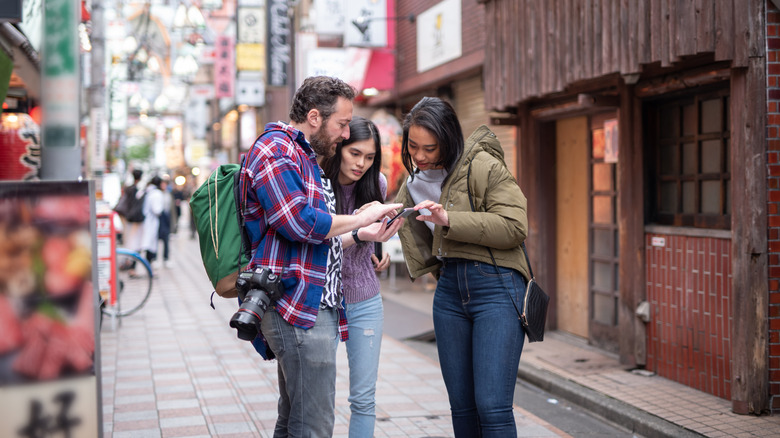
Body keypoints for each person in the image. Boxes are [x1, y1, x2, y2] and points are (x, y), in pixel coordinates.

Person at [238, 76, 404, 436]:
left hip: (310, 306)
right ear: (314, 117)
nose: (346, 134)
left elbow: (314, 242)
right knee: (313, 426)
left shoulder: (302, 156)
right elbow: (298, 222)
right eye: (342, 124)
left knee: (294, 420)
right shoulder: (276, 151)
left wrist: (362, 234)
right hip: (296, 307)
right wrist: (360, 218)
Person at [395, 97, 531, 436]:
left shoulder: (483, 165)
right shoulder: (412, 184)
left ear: (450, 140)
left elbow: (515, 226)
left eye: (430, 148)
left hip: (496, 287)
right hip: (449, 291)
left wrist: (449, 219)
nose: (421, 156)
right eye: (413, 146)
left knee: (492, 407)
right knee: (463, 408)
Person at [320, 116, 390, 436]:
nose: (362, 163)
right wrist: (362, 234)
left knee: (364, 399)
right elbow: (320, 244)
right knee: (318, 397)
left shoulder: (378, 185)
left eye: (370, 157)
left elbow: (374, 234)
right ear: (339, 149)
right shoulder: (319, 184)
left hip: (365, 299)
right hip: (322, 302)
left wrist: (379, 247)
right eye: (355, 153)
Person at [140, 175, 165, 266]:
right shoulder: (156, 193)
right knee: (149, 244)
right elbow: (157, 210)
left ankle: (146, 266)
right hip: (151, 222)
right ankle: (149, 266)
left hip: (145, 221)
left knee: (146, 243)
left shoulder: (147, 191)